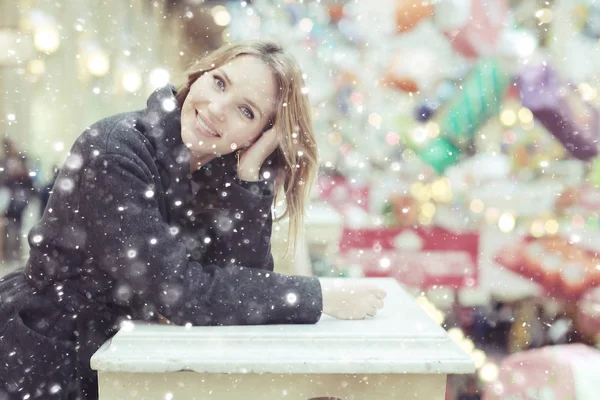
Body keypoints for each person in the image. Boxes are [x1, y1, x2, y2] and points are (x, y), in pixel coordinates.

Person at [0, 40, 386, 399]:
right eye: (219, 83)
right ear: (201, 74)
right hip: (48, 355)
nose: (218, 108)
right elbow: (183, 293)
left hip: (127, 358)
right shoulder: (116, 151)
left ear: (259, 136)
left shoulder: (215, 172)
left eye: (246, 111)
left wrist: (248, 180)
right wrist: (318, 297)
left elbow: (240, 282)